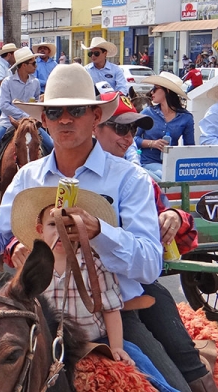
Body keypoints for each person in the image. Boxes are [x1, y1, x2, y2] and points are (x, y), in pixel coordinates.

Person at [0, 64, 193, 391]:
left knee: (173, 387)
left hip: (112, 318)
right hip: (37, 316)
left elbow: (150, 265)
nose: (65, 119)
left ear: (96, 117)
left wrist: (99, 231)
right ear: (45, 120)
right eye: (55, 112)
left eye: (77, 110)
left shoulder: (129, 180)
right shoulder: (29, 177)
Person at [93, 92, 217, 391]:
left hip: (131, 289)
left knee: (184, 358)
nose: (128, 137)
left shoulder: (138, 178)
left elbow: (179, 223)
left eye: (133, 130)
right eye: (121, 128)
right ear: (94, 125)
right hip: (69, 295)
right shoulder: (42, 175)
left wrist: (175, 215)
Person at [10, 189, 182, 392]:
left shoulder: (95, 265)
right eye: (52, 225)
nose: (61, 232)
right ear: (40, 229)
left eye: (69, 226)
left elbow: (110, 310)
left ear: (80, 229)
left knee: (139, 364)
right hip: (50, 343)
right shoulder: (32, 267)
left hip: (96, 339)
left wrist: (116, 347)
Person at [0, 47, 52, 203]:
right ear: (23, 65)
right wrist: (25, 116)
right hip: (7, 122)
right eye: (33, 63)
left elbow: (35, 102)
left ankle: (51, 184)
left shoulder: (35, 83)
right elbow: (4, 105)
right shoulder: (7, 83)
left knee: (51, 146)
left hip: (31, 123)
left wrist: (35, 112)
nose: (35, 66)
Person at [135, 72, 195, 181]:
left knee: (169, 176)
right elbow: (133, 139)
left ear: (167, 90)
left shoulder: (186, 117)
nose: (151, 92)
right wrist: (152, 143)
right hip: (148, 162)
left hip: (171, 163)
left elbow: (190, 148)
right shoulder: (148, 112)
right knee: (164, 176)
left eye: (155, 88)